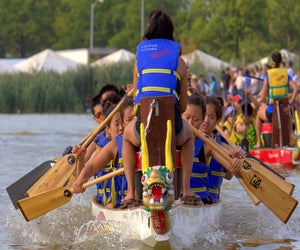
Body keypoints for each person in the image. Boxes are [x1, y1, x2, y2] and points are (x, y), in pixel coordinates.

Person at [121, 9, 197, 207]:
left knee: (126, 139)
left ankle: (130, 193)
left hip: (143, 132)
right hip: (173, 131)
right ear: (170, 34)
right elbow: (182, 106)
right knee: (189, 136)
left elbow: (138, 98)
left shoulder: (139, 62)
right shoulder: (180, 63)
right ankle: (187, 189)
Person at [182, 94, 244, 204]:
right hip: (180, 199)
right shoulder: (175, 139)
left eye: (211, 117)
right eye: (187, 117)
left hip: (203, 199)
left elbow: (231, 174)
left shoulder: (210, 144)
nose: (190, 123)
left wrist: (236, 164)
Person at [72, 103, 126, 208]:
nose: (121, 128)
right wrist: (80, 159)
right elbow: (81, 182)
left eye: (124, 122)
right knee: (111, 206)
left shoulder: (135, 150)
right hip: (107, 205)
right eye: (116, 123)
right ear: (108, 129)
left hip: (127, 203)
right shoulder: (98, 153)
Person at [253, 51, 297, 148]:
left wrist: (259, 97)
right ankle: (289, 141)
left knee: (259, 114)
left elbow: (262, 95)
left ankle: (259, 143)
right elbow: (295, 89)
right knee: (288, 115)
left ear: (272, 63)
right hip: (284, 110)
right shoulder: (285, 74)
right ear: (280, 62)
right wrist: (289, 103)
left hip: (272, 112)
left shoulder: (268, 76)